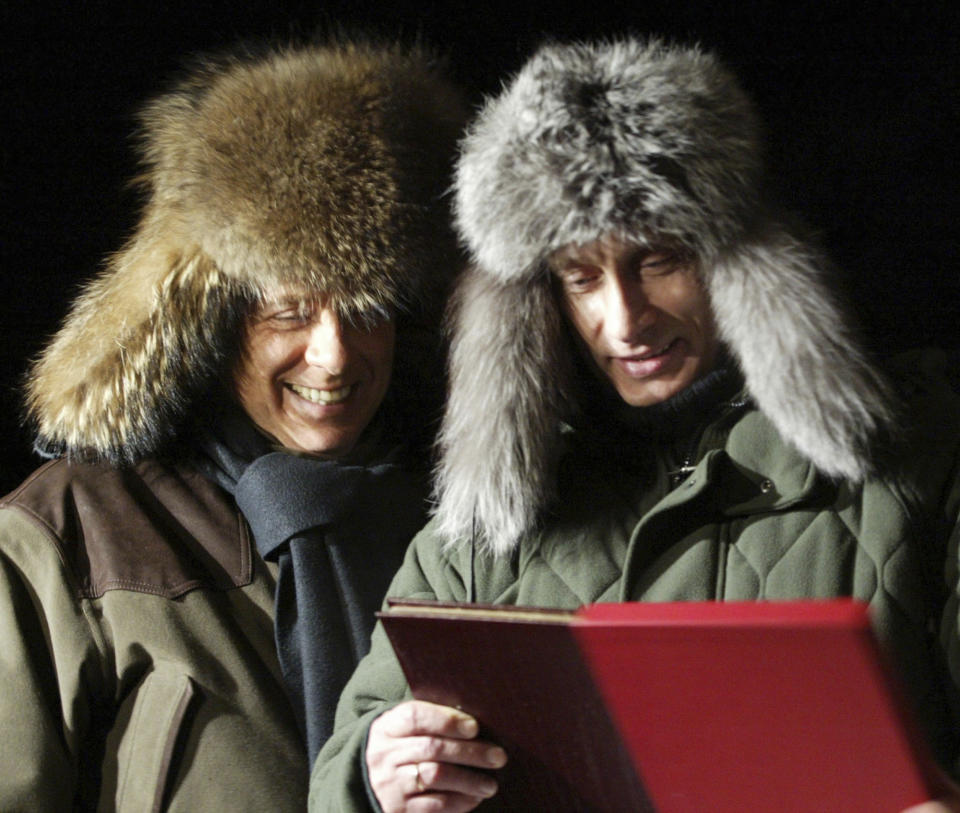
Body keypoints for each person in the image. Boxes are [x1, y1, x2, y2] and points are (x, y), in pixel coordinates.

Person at [309, 38, 960, 812]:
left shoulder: (918, 462)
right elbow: (345, 761)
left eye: (657, 261)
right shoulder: (485, 535)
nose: (625, 322)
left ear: (735, 258)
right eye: (581, 277)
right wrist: (378, 774)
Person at [0, 40, 465, 810]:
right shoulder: (70, 533)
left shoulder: (464, 526)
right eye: (289, 309)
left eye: (368, 309)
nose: (334, 354)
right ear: (212, 315)